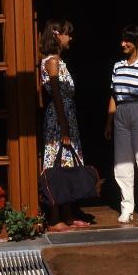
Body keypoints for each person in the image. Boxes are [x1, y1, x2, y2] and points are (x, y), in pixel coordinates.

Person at [104, 25, 138, 224]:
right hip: (122, 112)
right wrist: (109, 122)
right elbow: (113, 95)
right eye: (122, 40)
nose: (123, 44)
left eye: (128, 40)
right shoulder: (118, 66)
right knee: (122, 163)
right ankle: (127, 206)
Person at [39, 19, 91, 231]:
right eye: (68, 34)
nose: (70, 38)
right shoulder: (51, 62)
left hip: (67, 116)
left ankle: (68, 215)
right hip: (59, 119)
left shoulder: (60, 61)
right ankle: (54, 217)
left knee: (68, 164)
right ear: (57, 35)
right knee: (56, 164)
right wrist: (64, 126)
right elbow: (57, 95)